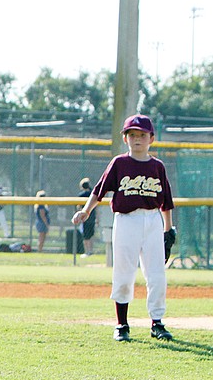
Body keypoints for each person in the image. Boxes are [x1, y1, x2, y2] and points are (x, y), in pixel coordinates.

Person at [72, 114, 175, 343]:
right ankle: (122, 324)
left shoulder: (157, 166)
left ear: (151, 138)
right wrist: (86, 211)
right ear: (125, 138)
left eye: (142, 135)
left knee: (156, 275)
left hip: (152, 220)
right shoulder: (119, 163)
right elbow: (99, 190)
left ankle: (157, 322)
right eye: (132, 134)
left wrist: (168, 230)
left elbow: (166, 202)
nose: (137, 139)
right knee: (124, 272)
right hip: (126, 220)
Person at [77, 178, 97, 256]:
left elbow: (78, 207)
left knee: (86, 236)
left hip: (85, 218)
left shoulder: (81, 195)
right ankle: (90, 250)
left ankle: (87, 251)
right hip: (92, 217)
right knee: (91, 235)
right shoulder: (93, 194)